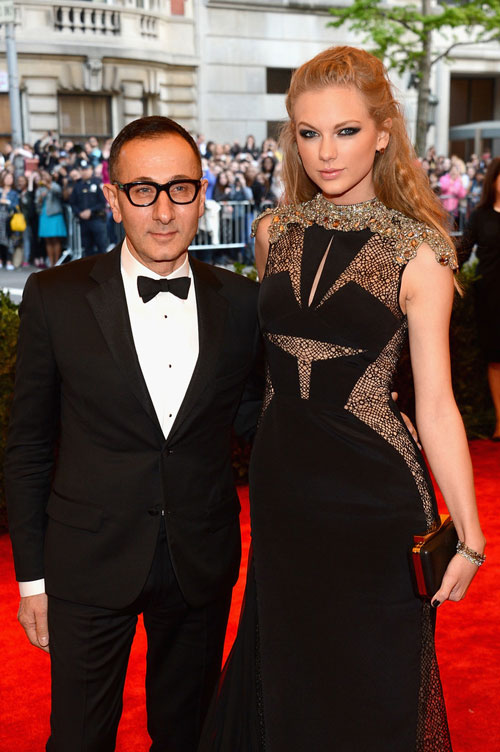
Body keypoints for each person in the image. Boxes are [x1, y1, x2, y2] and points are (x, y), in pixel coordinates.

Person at [198, 46, 485, 751]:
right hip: (283, 492)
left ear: (383, 133)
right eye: (309, 133)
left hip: (375, 499)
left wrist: (471, 538)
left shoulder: (421, 254)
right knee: (288, 670)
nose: (326, 152)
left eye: (346, 131)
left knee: (372, 687)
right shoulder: (274, 233)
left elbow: (436, 405)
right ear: (292, 137)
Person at [4, 115, 261, 752]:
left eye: (180, 189)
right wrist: (31, 580)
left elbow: (259, 423)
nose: (164, 211)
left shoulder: (243, 303)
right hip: (87, 562)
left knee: (188, 736)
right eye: (143, 191)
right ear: (114, 198)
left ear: (202, 194)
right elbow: (28, 447)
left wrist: (352, 416)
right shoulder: (56, 296)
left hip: (199, 559)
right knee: (79, 739)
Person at [460, 156, 500, 441]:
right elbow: (461, 253)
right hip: (491, 297)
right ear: (493, 180)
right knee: (496, 360)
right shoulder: (480, 216)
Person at [69, 158, 108, 256]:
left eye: (86, 169)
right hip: (84, 222)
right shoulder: (77, 185)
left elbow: (103, 202)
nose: (84, 172)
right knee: (87, 249)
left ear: (91, 170)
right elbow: (72, 203)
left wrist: (90, 211)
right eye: (82, 169)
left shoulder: (98, 183)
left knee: (102, 247)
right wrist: (79, 213)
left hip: (97, 219)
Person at [35, 169, 67, 267]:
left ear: (50, 176)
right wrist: (40, 198)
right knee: (48, 240)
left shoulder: (55, 185)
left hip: (55, 215)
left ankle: (57, 263)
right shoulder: (40, 189)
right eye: (42, 176)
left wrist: (48, 186)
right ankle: (51, 263)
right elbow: (36, 202)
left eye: (46, 175)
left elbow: (58, 192)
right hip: (44, 216)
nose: (44, 178)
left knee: (56, 239)